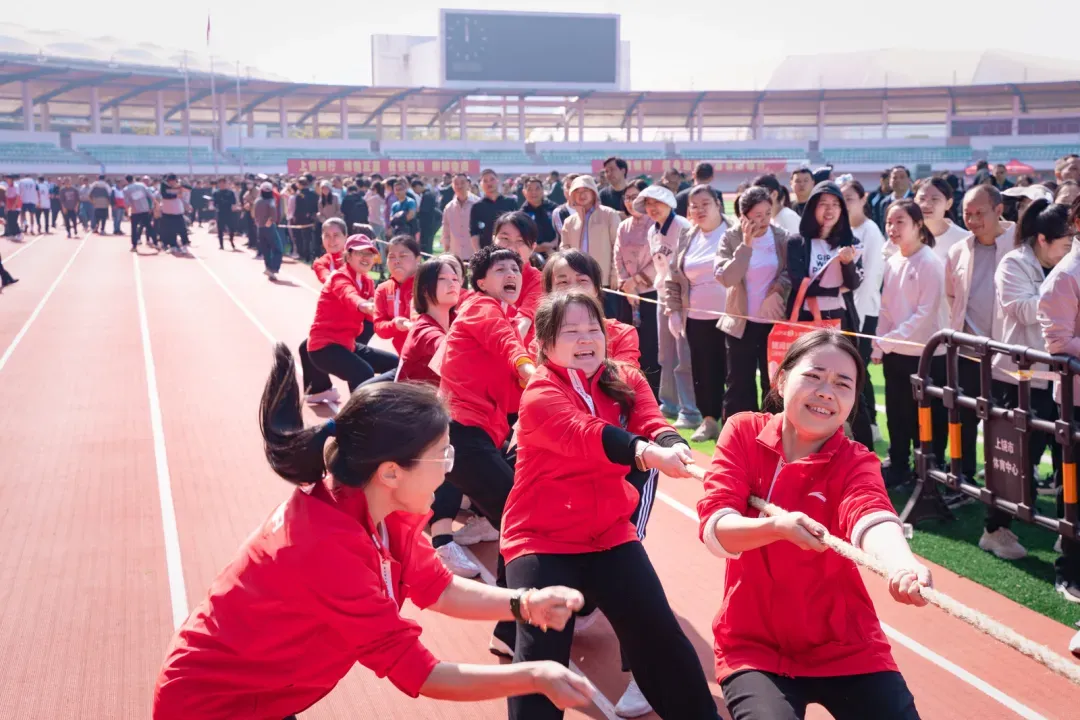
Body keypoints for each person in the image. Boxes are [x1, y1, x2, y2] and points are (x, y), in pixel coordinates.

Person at [152, 346, 595, 718]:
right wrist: (534, 676)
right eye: (442, 456)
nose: (448, 470)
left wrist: (525, 603)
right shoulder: (327, 548)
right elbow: (421, 673)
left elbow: (438, 589)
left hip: (258, 695)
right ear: (390, 473)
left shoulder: (380, 509)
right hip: (209, 705)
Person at [503, 290, 720, 720]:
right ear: (545, 345)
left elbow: (650, 421)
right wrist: (646, 453)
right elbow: (586, 433)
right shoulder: (541, 393)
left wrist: (672, 446)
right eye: (571, 331)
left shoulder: (624, 377)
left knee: (660, 638)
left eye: (593, 329)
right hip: (541, 538)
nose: (586, 339)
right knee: (543, 656)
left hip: (607, 533)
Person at [699, 330, 928, 720]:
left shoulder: (855, 461)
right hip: (754, 648)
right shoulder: (743, 432)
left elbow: (870, 515)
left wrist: (902, 563)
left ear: (854, 400)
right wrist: (778, 527)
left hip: (847, 646)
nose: (827, 391)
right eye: (814, 376)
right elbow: (715, 529)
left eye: (843, 384)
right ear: (782, 379)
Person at [438, 245, 537, 658]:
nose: (512, 272)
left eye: (516, 267)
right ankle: (512, 625)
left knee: (516, 521)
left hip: (476, 436)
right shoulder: (482, 308)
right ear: (480, 282)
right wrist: (533, 373)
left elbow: (516, 390)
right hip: (462, 432)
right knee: (522, 519)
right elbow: (512, 354)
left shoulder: (509, 318)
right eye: (501, 269)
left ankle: (509, 627)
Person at [990, 199, 1073, 557]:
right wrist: (1062, 287)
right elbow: (1022, 310)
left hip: (1059, 375)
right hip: (1019, 375)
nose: (1071, 251)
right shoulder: (1014, 263)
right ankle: (995, 529)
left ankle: (1066, 532)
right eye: (1065, 245)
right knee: (1017, 458)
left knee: (1065, 458)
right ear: (1042, 239)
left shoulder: (1065, 266)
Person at [395, 256, 482, 578]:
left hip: (429, 415)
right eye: (445, 279)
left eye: (457, 277)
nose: (454, 283)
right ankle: (443, 540)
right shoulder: (425, 329)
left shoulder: (451, 321)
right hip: (407, 421)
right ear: (426, 287)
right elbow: (455, 362)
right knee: (457, 446)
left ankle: (479, 512)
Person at [785, 181, 873, 451]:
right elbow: (800, 280)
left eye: (835, 204)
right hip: (807, 321)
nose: (829, 210)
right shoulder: (797, 242)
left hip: (841, 320)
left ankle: (865, 450)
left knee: (849, 381)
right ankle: (802, 444)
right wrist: (835, 283)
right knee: (806, 380)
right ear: (812, 208)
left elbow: (854, 283)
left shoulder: (850, 243)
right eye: (823, 204)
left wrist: (846, 266)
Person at [944, 185, 1015, 504]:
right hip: (968, 351)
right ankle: (964, 479)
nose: (972, 220)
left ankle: (1007, 487)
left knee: (1006, 423)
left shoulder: (1019, 245)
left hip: (1009, 355)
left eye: (979, 213)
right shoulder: (958, 250)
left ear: (999, 210)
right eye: (966, 214)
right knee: (964, 417)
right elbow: (951, 295)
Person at [872, 200, 949, 487]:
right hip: (896, 354)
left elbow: (925, 313)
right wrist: (881, 344)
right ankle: (899, 464)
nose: (892, 228)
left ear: (918, 225)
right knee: (897, 413)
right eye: (889, 222)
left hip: (927, 355)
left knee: (928, 417)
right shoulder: (893, 261)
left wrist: (888, 340)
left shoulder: (929, 262)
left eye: (899, 222)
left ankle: (929, 469)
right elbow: (886, 309)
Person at [1037, 195, 1080, 613]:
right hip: (1077, 402)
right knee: (1075, 492)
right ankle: (1070, 570)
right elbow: (1060, 345)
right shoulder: (1066, 276)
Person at [715, 186, 792, 419]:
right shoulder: (731, 237)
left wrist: (777, 290)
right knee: (739, 382)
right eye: (757, 216)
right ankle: (738, 433)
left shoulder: (781, 237)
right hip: (741, 323)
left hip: (773, 323)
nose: (764, 220)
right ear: (743, 216)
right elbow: (727, 277)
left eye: (768, 213)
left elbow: (790, 272)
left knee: (775, 383)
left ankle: (774, 431)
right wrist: (746, 245)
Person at [665, 185, 731, 442]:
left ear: (718, 204)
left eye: (705, 203)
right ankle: (709, 420)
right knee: (703, 372)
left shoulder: (734, 233)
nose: (699, 210)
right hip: (696, 317)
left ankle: (734, 422)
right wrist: (674, 310)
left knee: (733, 373)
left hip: (733, 316)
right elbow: (674, 277)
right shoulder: (687, 236)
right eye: (694, 205)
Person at [636, 183, 700, 428]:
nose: (652, 208)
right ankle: (669, 401)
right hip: (661, 294)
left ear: (669, 202)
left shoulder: (683, 226)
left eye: (656, 203)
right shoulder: (653, 231)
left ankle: (690, 409)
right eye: (648, 204)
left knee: (684, 354)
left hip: (684, 298)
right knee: (666, 352)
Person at [307, 234, 399, 391]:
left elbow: (376, 316)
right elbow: (348, 295)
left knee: (395, 365)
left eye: (369, 253)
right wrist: (363, 304)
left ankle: (378, 407)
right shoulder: (339, 277)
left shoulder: (367, 281)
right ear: (348, 256)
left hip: (348, 344)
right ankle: (359, 414)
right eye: (359, 253)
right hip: (324, 346)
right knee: (363, 373)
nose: (365, 257)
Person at [841, 178, 887, 441]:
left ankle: (871, 424)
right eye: (842, 199)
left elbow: (869, 279)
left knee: (860, 368)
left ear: (863, 199)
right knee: (855, 368)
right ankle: (863, 422)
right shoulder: (843, 230)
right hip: (847, 311)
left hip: (865, 312)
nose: (846, 204)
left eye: (850, 198)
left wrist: (854, 314)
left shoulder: (871, 232)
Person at [613, 179, 662, 397]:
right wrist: (626, 283)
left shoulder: (655, 225)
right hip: (628, 294)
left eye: (636, 197)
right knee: (630, 342)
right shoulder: (623, 226)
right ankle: (631, 386)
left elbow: (659, 258)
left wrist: (637, 280)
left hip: (651, 293)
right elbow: (618, 257)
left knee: (651, 343)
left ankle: (654, 390)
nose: (631, 202)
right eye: (628, 197)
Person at [558, 175, 622, 318]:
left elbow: (618, 246)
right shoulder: (569, 222)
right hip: (577, 282)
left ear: (594, 192)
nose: (582, 195)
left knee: (608, 319)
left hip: (604, 280)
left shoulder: (609, 214)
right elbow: (564, 250)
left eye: (586, 190)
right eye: (577, 191)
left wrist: (614, 273)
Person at [494, 211, 544, 345]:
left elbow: (523, 322)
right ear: (494, 239)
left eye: (520, 241)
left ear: (532, 247)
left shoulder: (538, 281)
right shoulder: (484, 275)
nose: (511, 248)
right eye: (505, 239)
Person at [374, 235, 421, 356]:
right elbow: (379, 327)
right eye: (391, 257)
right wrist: (394, 325)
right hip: (404, 359)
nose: (397, 261)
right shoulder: (383, 290)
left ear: (418, 259)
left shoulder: (428, 285)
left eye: (403, 256)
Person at [914, 176, 969, 262]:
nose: (927, 205)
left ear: (948, 204)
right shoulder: (905, 235)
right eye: (922, 199)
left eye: (934, 199)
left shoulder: (964, 240)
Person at [470, 169, 518, 249]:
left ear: (497, 181)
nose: (489, 183)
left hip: (508, 251)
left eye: (492, 179)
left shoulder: (511, 203)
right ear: (481, 184)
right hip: (486, 252)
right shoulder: (477, 207)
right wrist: (478, 254)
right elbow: (474, 234)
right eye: (485, 181)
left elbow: (518, 228)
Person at [441, 173, 480, 260]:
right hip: (456, 254)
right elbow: (446, 231)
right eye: (456, 183)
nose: (459, 186)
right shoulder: (449, 207)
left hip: (475, 254)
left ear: (468, 184)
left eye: (462, 182)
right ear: (452, 185)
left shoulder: (478, 204)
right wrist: (446, 251)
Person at [521, 176, 558, 257]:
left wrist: (552, 244)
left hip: (555, 252)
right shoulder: (521, 214)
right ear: (524, 192)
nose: (534, 192)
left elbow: (562, 230)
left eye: (537, 188)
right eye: (529, 189)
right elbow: (521, 237)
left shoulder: (554, 208)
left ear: (542, 190)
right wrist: (539, 248)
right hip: (531, 255)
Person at [253, 182, 283, 281]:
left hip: (260, 227)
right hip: (269, 226)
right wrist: (271, 221)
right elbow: (273, 214)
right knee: (278, 248)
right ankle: (273, 268)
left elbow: (254, 215)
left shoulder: (257, 201)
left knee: (266, 250)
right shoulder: (271, 201)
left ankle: (268, 268)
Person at [211, 177, 238, 251]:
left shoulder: (230, 192)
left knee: (231, 228)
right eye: (220, 183)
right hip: (220, 212)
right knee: (220, 229)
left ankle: (231, 240)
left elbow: (233, 202)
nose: (222, 185)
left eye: (223, 183)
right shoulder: (216, 193)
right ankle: (221, 244)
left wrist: (233, 207)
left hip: (229, 212)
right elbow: (214, 203)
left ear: (226, 184)